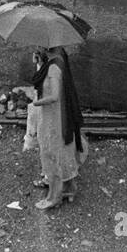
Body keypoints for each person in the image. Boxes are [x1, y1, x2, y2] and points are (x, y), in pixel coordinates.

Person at [31, 46, 87, 210]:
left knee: (51, 153)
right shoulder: (58, 61)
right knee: (62, 150)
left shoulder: (53, 68)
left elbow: (54, 96)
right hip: (57, 115)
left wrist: (36, 102)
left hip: (53, 118)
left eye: (39, 46)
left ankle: (54, 196)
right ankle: (70, 189)